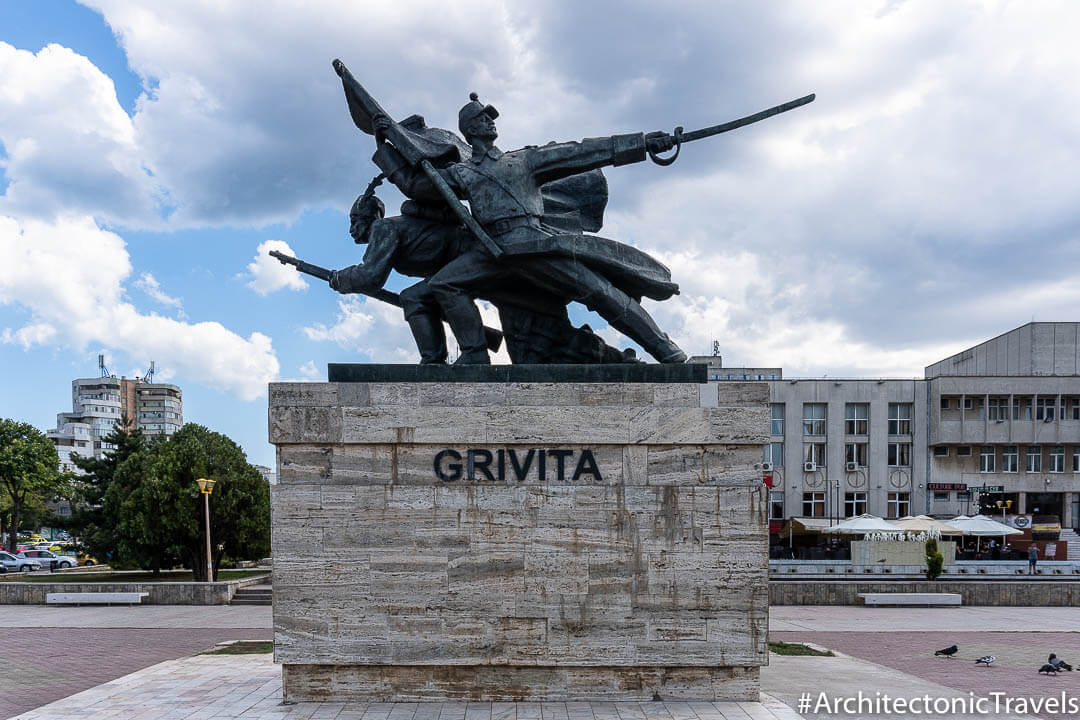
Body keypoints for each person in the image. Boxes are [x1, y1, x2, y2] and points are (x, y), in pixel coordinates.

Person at [370, 95, 688, 365]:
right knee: (445, 284)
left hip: (532, 242)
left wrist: (643, 144)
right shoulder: (461, 172)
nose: (490, 122)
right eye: (482, 119)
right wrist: (385, 145)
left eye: (490, 118)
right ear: (469, 130)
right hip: (492, 250)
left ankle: (668, 352)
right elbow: (415, 185)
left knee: (601, 293)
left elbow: (582, 152)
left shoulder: (523, 160)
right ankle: (475, 357)